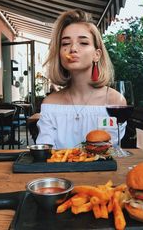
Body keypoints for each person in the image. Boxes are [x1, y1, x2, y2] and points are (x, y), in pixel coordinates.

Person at [36, 9, 126, 149]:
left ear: (97, 54)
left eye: (83, 43)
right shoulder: (50, 103)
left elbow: (110, 149)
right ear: (59, 54)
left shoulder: (115, 101)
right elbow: (45, 151)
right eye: (65, 44)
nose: (73, 48)